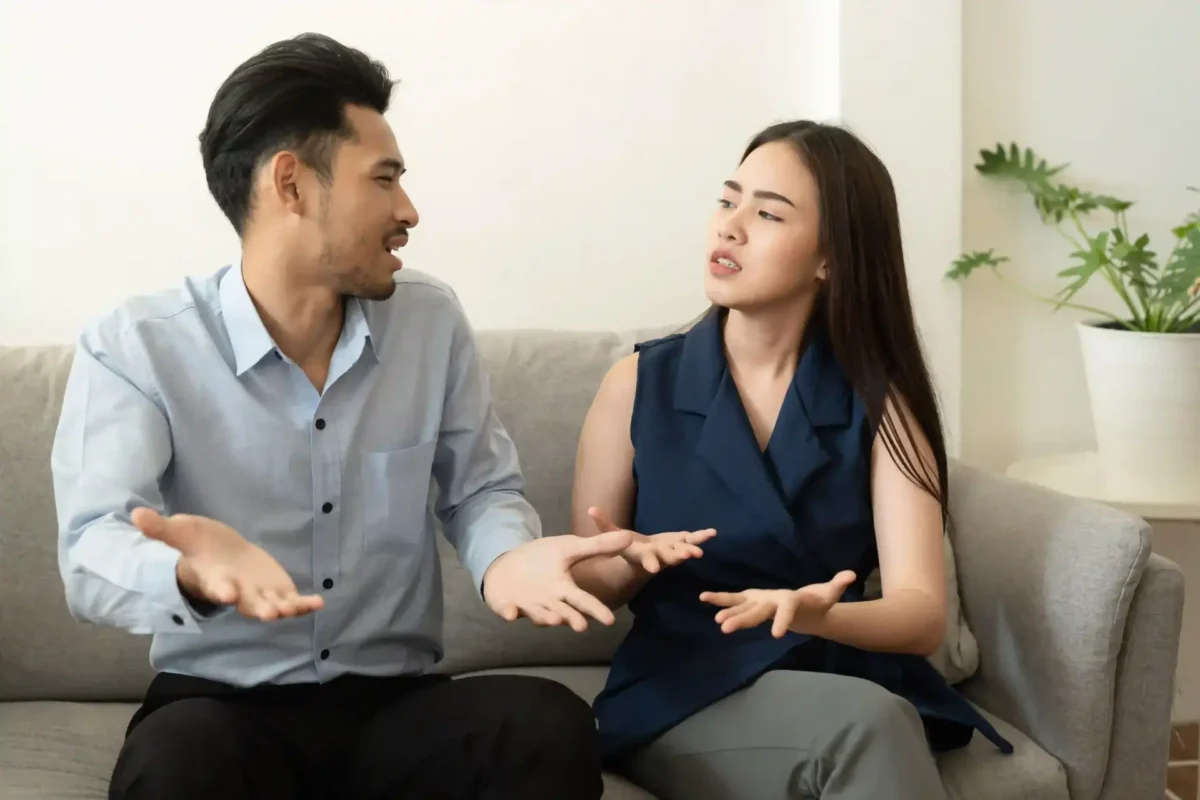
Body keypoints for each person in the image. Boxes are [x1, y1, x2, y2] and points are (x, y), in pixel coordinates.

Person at [50, 33, 636, 800]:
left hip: (391, 705)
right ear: (291, 184)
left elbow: (480, 492)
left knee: (544, 725)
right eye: (384, 180)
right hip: (223, 707)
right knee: (178, 763)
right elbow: (90, 550)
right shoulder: (137, 345)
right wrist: (188, 574)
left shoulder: (429, 322)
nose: (408, 210)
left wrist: (504, 560)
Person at [568, 121, 1015, 799]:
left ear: (829, 260)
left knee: (871, 719)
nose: (731, 227)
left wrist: (813, 613)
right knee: (867, 729)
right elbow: (586, 580)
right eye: (728, 201)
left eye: (768, 213)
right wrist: (623, 562)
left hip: (839, 674)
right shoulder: (635, 385)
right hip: (683, 685)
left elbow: (920, 614)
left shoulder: (881, 404)